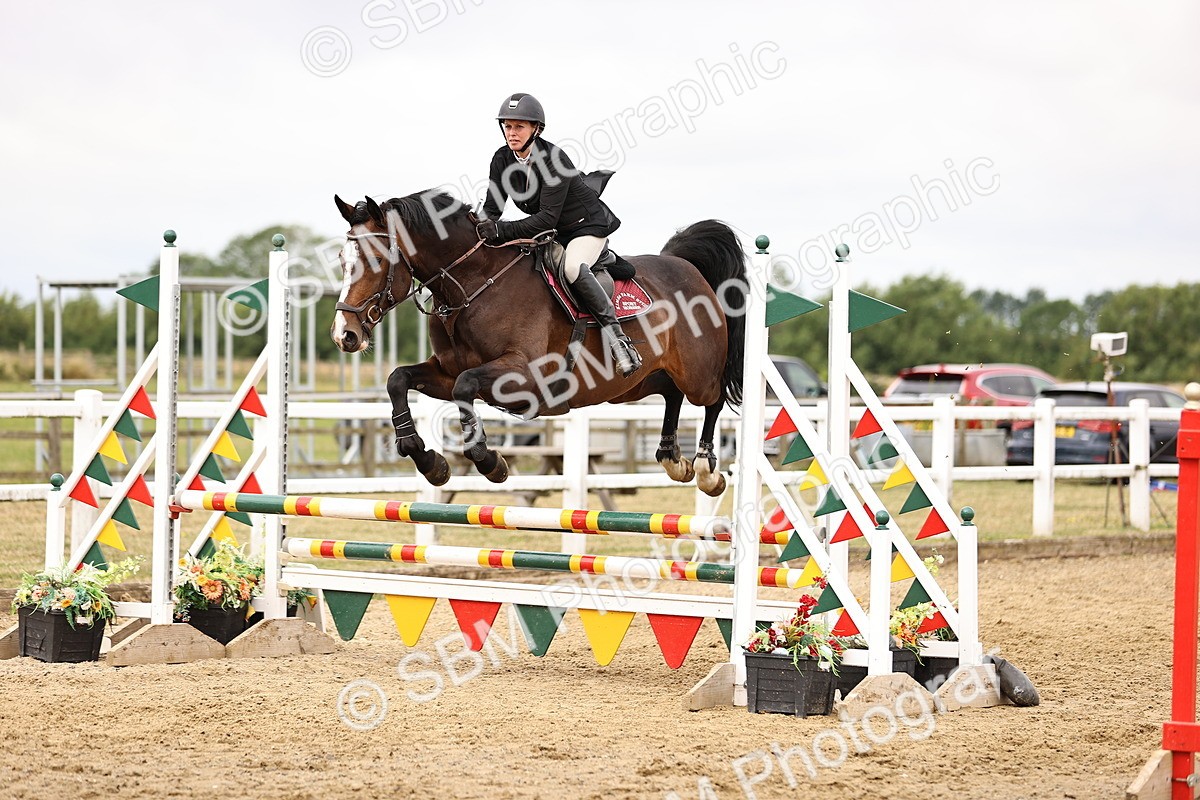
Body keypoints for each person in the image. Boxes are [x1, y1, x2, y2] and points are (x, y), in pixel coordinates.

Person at [476, 92, 642, 378]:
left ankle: (620, 343)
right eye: (507, 126)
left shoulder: (554, 160)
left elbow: (545, 219)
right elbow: (491, 209)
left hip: (585, 227)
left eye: (519, 127)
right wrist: (476, 233)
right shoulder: (502, 159)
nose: (512, 133)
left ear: (535, 129)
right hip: (552, 232)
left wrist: (501, 231)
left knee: (573, 267)